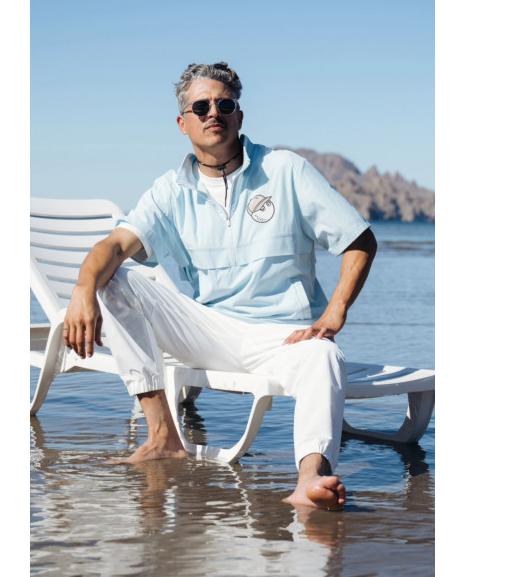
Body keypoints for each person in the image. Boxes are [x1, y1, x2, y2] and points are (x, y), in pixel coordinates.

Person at [63, 62, 377, 511]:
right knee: (117, 279)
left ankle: (311, 478)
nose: (214, 112)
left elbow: (359, 240)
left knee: (324, 354)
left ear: (239, 116)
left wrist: (334, 313)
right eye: (201, 106)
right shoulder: (170, 191)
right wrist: (83, 289)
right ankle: (162, 436)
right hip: (207, 331)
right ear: (183, 122)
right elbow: (113, 246)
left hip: (283, 337)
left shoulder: (285, 170)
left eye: (224, 104)